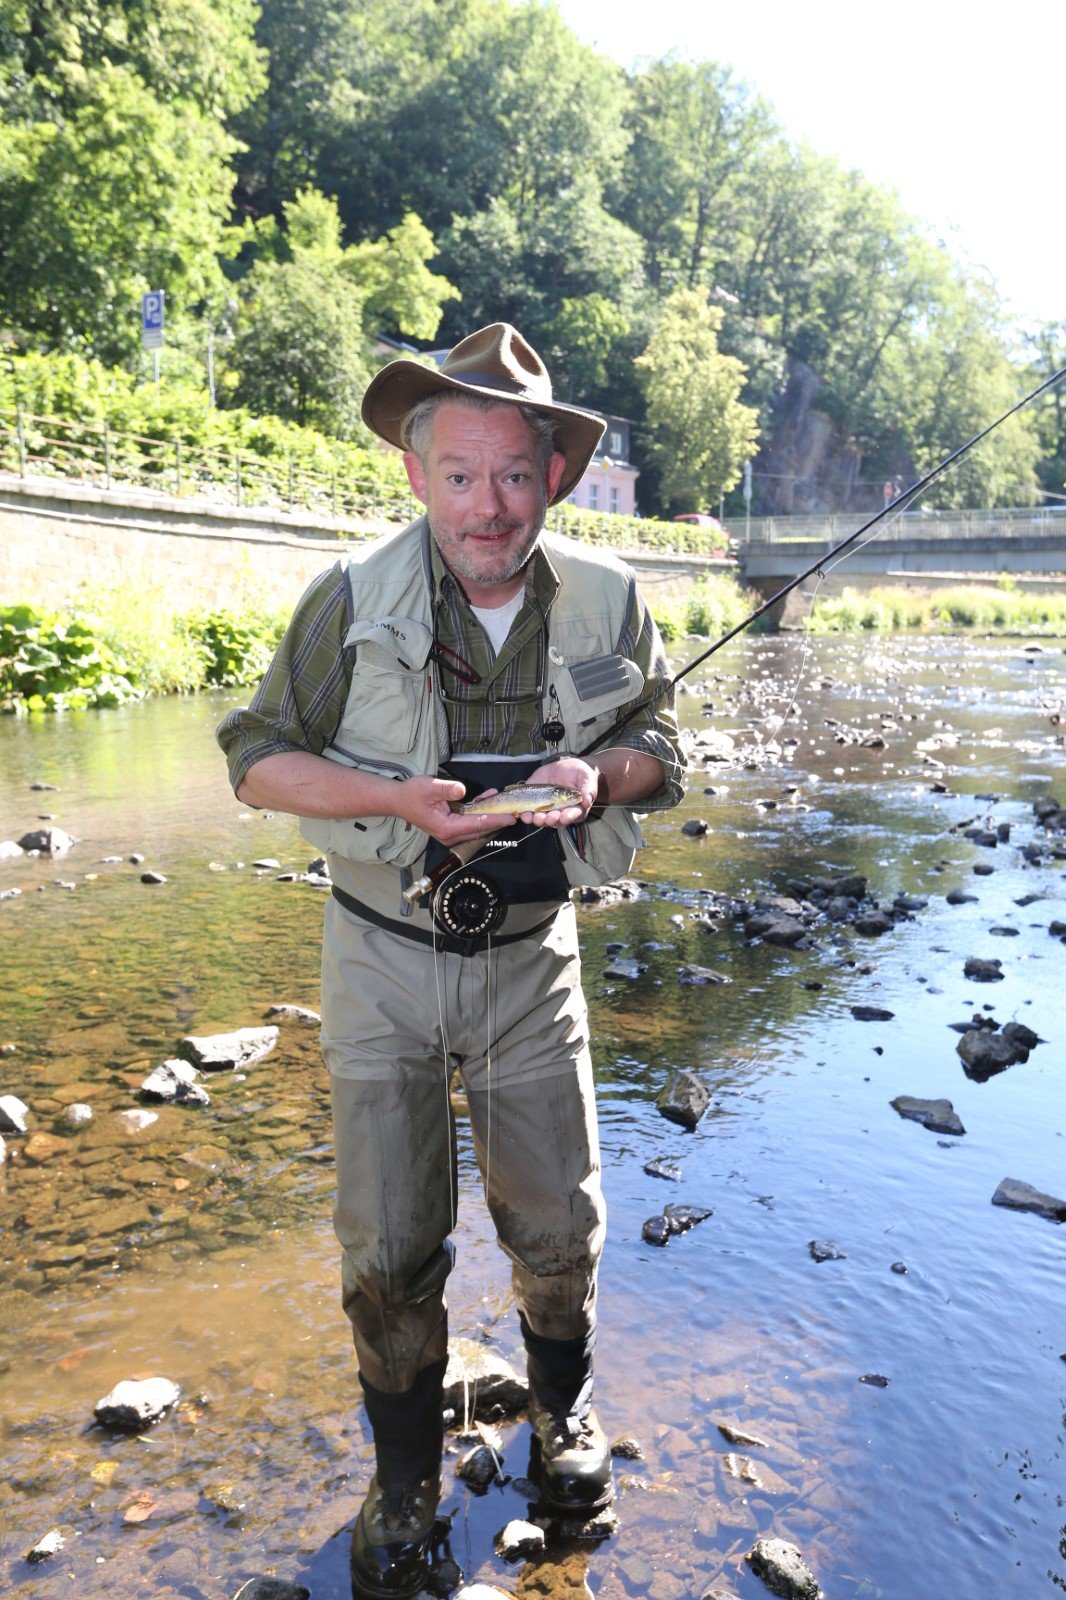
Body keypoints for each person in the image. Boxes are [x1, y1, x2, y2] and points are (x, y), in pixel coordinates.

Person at [217, 323, 685, 1598]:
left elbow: (660, 744)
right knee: (386, 1245)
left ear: (555, 475)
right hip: (380, 958)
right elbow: (255, 756)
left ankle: (562, 1415)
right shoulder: (349, 597)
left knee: (557, 1224)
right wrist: (397, 799)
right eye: (463, 474)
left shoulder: (609, 597)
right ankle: (404, 1478)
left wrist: (603, 777)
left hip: (534, 958)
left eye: (517, 473)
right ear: (418, 475)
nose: (492, 505)